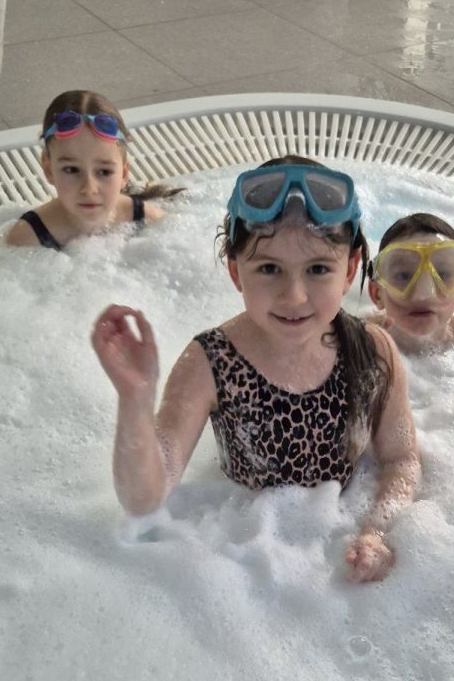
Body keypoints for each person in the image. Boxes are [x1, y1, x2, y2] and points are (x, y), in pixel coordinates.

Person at [92, 157, 420, 583]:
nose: (294, 295)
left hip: (333, 560)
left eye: (318, 269)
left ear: (350, 270)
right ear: (236, 271)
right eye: (269, 268)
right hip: (242, 564)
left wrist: (376, 532)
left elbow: (401, 460)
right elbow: (144, 499)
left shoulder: (373, 353)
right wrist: (135, 401)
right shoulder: (209, 362)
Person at [6, 89, 182, 250]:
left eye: (104, 172)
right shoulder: (27, 237)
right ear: (48, 169)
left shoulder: (146, 219)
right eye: (71, 170)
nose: (89, 188)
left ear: (124, 173)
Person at [367, 212, 454, 352]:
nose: (424, 295)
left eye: (443, 275)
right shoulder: (363, 337)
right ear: (377, 294)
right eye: (404, 276)